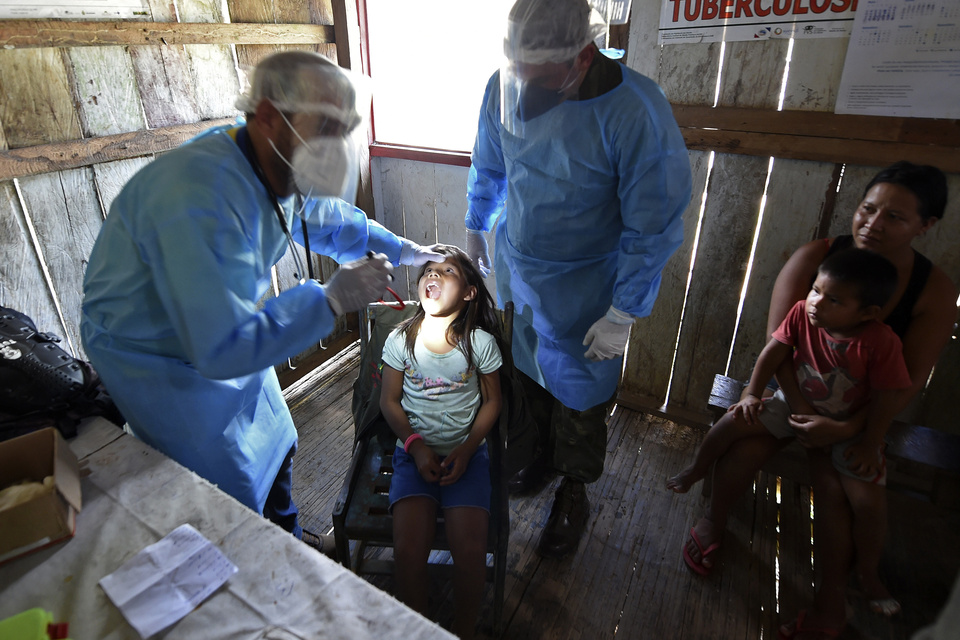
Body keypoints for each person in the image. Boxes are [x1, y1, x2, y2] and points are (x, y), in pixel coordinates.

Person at [81, 50, 444, 557]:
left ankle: (290, 539)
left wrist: (403, 248)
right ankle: (259, 559)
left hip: (227, 324)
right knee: (222, 481)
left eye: (347, 127)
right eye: (326, 124)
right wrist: (331, 300)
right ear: (269, 114)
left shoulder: (275, 162)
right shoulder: (196, 196)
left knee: (275, 437)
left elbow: (330, 219)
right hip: (158, 357)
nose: (337, 143)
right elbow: (219, 350)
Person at [676, 161, 956, 639]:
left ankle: (833, 597)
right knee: (745, 445)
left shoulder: (931, 289)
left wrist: (848, 429)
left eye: (895, 217)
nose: (873, 224)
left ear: (925, 226)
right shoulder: (818, 257)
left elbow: (906, 381)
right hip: (796, 393)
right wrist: (802, 410)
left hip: (860, 415)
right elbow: (779, 341)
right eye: (867, 209)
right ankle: (713, 518)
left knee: (833, 493)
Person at [464, 0, 692, 558]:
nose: (526, 92)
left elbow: (654, 225)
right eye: (519, 73)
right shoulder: (504, 84)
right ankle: (535, 457)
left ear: (583, 57)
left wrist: (624, 312)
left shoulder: (635, 111)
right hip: (522, 271)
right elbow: (490, 167)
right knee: (525, 374)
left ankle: (575, 490)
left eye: (541, 80)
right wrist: (476, 225)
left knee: (582, 397)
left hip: (590, 287)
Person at [668, 249, 911, 588]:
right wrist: (752, 393)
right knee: (732, 422)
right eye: (816, 290)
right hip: (792, 403)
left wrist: (871, 442)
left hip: (850, 425)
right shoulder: (801, 313)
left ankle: (868, 573)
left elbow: (887, 398)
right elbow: (773, 353)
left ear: (868, 313)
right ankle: (696, 470)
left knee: (868, 502)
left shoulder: (880, 343)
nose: (816, 303)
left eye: (834, 301)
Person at [379, 245, 503, 639]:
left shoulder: (479, 343)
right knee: (408, 552)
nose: (433, 274)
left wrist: (467, 450)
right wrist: (415, 447)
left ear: (469, 292)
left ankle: (463, 630)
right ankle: (418, 628)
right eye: (428, 269)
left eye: (447, 271)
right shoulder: (401, 339)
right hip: (412, 457)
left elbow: (493, 402)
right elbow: (389, 402)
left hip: (466, 460)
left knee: (470, 554)